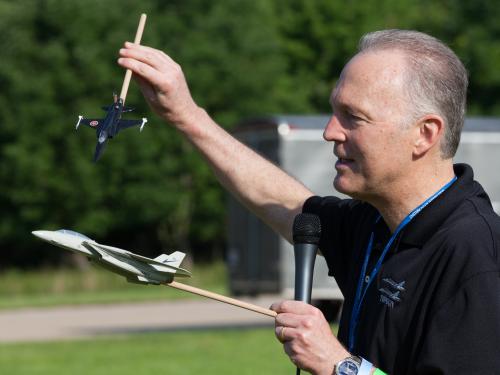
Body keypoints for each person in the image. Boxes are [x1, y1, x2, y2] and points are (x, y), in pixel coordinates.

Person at [118, 29, 500, 374]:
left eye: (354, 117)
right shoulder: (378, 223)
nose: (330, 131)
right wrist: (186, 115)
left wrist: (339, 365)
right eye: (336, 111)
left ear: (424, 134)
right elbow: (284, 203)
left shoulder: (474, 256)